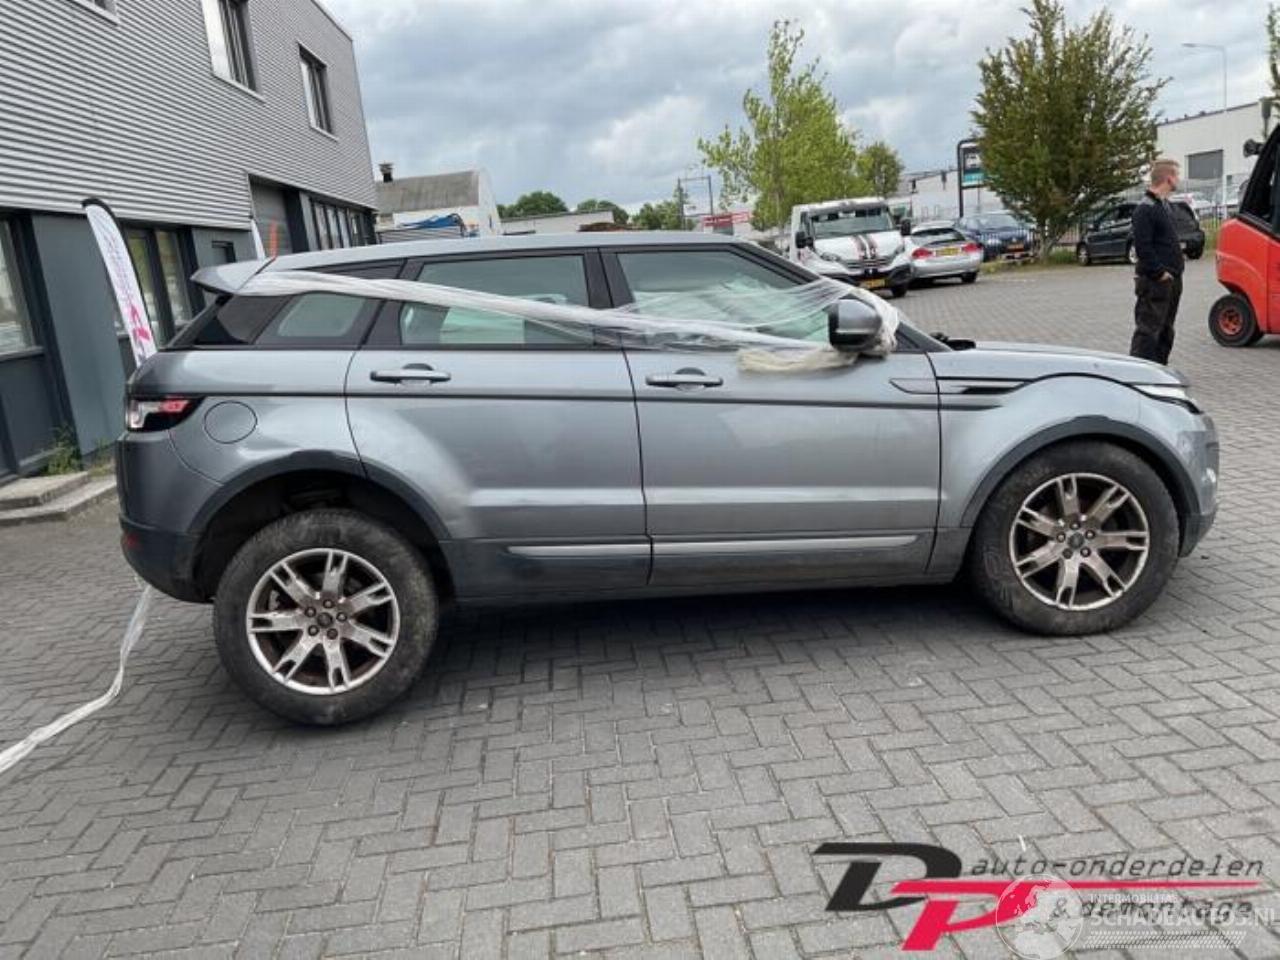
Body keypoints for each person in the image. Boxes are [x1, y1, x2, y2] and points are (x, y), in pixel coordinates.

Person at [1129, 159, 1185, 364]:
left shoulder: (1164, 206)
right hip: (1156, 283)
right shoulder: (1145, 209)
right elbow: (1143, 247)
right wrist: (1160, 273)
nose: (1179, 180)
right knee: (1148, 331)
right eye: (1177, 175)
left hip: (1172, 280)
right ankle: (1139, 372)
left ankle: (1160, 370)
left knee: (1166, 331)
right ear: (1169, 178)